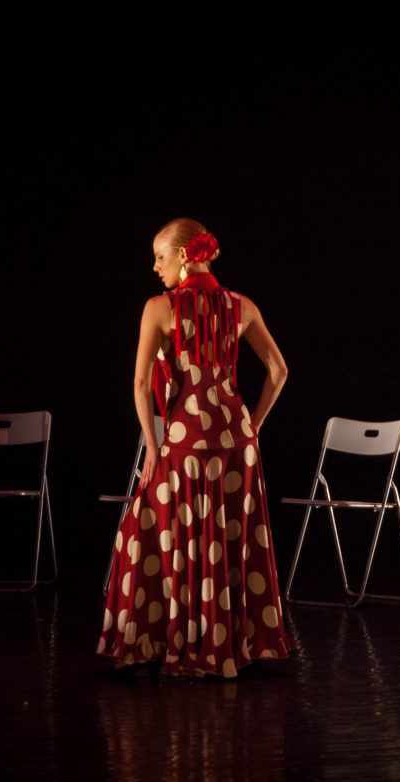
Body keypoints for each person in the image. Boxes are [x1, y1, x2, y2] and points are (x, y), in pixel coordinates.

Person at [97, 218, 294, 678]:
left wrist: (152, 444)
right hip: (235, 439)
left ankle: (176, 641)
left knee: (166, 535)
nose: (155, 266)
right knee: (225, 541)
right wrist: (254, 426)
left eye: (160, 256)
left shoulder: (159, 308)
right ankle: (226, 645)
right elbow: (279, 370)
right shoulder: (240, 305)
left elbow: (142, 384)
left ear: (184, 256)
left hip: (186, 437)